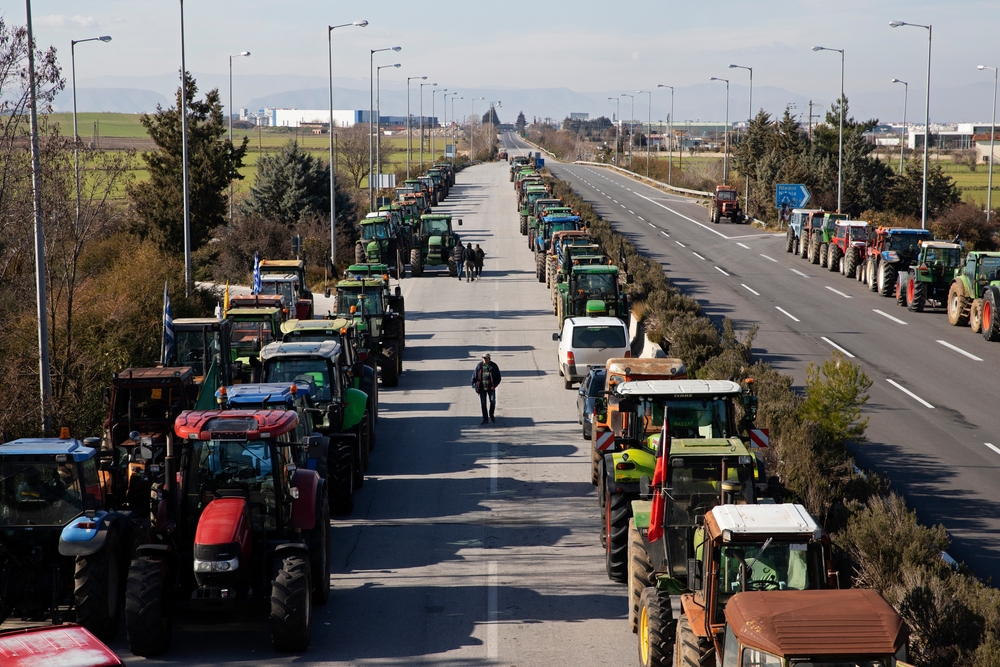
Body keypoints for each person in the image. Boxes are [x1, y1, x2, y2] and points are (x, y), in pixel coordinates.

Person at [471, 353, 501, 424]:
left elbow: (498, 377)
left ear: (489, 359)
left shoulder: (493, 366)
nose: (484, 360)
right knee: (483, 404)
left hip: (491, 388)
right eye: (483, 358)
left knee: (493, 401)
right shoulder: (479, 366)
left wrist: (494, 385)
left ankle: (491, 414)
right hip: (482, 389)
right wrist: (475, 386)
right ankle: (485, 419)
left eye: (486, 358)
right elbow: (474, 378)